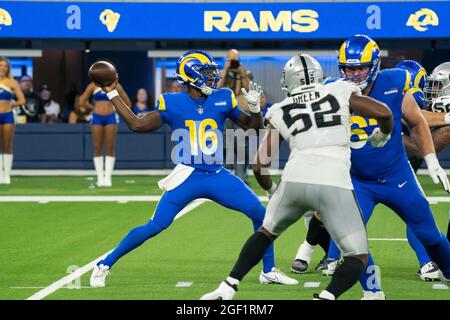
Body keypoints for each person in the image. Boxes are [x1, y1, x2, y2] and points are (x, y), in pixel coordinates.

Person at [89, 50, 298, 288]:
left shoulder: (222, 97)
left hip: (217, 174)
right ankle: (104, 263)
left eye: (212, 72)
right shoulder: (173, 101)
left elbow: (253, 127)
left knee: (261, 215)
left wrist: (255, 109)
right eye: (206, 73)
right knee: (156, 225)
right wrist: (113, 92)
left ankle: (268, 271)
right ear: (190, 77)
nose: (213, 77)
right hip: (188, 175)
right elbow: (137, 124)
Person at [200, 53, 394, 300]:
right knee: (357, 256)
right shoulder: (340, 90)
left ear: (289, 80)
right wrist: (383, 135)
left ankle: (228, 286)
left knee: (265, 232)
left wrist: (273, 192)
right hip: (334, 181)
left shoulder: (281, 108)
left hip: (294, 180)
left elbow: (259, 166)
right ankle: (327, 296)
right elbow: (384, 113)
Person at [306, 35, 450, 299]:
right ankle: (372, 292)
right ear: (341, 68)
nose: (356, 73)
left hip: (397, 177)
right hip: (358, 181)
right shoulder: (332, 90)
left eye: (361, 67)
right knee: (351, 238)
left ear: (374, 65)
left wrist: (431, 160)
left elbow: (417, 122)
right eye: (350, 68)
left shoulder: (393, 82)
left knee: (430, 236)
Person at [79, 70, 131, 187]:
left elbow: (127, 103)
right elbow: (81, 101)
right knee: (97, 146)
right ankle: (99, 177)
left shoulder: (116, 86)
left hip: (111, 117)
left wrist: (116, 108)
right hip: (96, 117)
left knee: (110, 146)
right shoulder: (93, 85)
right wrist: (93, 107)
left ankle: (108, 177)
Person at [218, 49, 251, 183]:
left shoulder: (246, 73)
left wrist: (242, 74)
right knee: (225, 146)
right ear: (226, 60)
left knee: (241, 146)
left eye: (234, 60)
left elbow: (247, 89)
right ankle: (224, 176)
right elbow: (217, 87)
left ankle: (241, 178)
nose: (233, 63)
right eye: (230, 60)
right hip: (225, 113)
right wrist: (225, 70)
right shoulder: (221, 74)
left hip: (241, 113)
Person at [0, 57, 25, 184]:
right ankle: (0, 174)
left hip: (8, 115)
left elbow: (22, 100)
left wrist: (12, 105)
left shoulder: (12, 82)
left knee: (7, 145)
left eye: (5, 66)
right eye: (0, 65)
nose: (2, 68)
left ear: (8, 68)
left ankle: (7, 175)